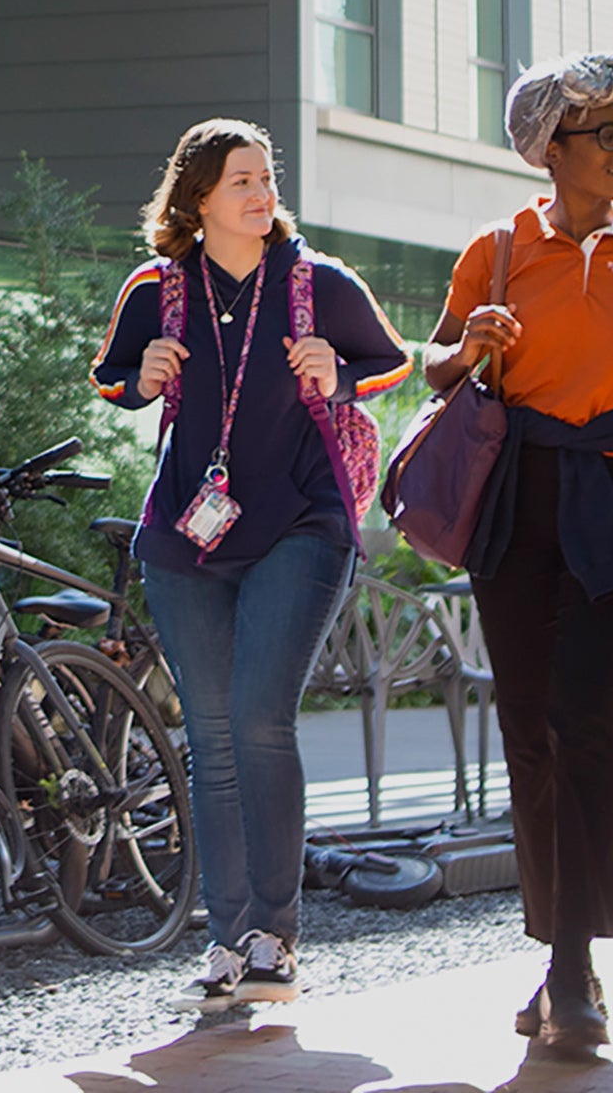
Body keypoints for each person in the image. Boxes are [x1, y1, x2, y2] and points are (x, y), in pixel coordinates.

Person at [420, 52, 613, 1057]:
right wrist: (472, 349)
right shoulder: (498, 247)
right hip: (516, 496)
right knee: (531, 727)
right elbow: (435, 364)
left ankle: (572, 965)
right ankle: (558, 954)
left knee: (590, 721)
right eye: (610, 135)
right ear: (552, 149)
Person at [90, 118, 411, 1014]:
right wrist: (142, 375)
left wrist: (337, 371)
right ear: (198, 199)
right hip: (187, 536)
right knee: (213, 735)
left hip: (302, 525)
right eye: (241, 180)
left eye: (266, 177)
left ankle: (275, 937)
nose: (261, 192)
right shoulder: (159, 290)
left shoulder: (317, 283)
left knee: (260, 722)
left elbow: (392, 360)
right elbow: (111, 376)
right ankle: (229, 942)